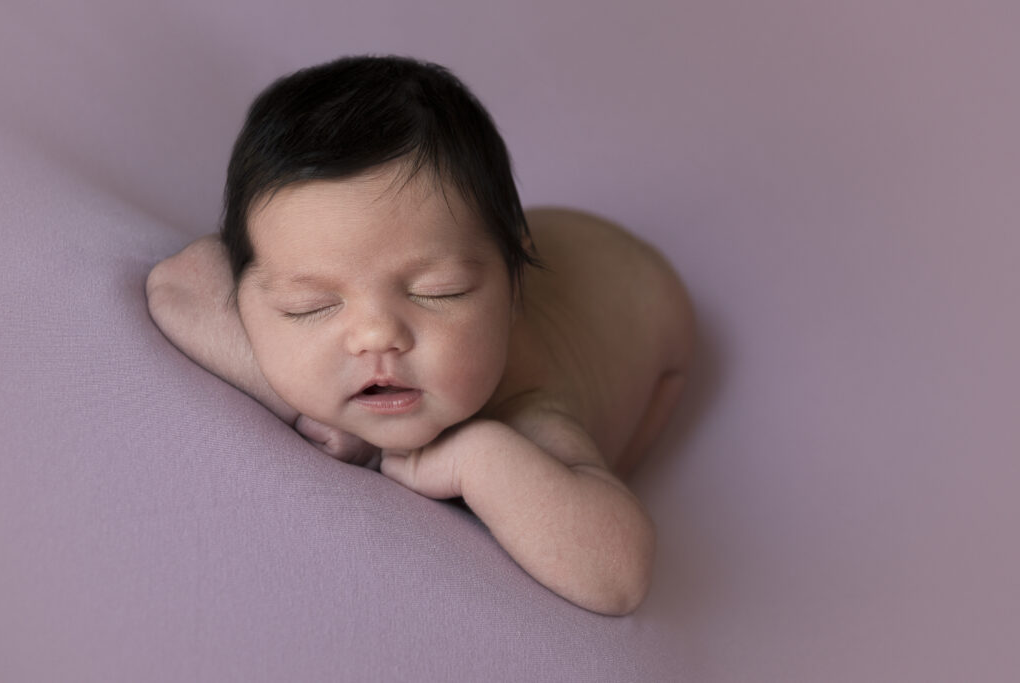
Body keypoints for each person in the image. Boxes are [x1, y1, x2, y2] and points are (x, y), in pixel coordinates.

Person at [146, 55, 695, 615]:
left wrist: (477, 459)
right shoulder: (281, 274)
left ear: (513, 292)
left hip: (648, 306)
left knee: (619, 457)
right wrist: (307, 409)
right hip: (511, 235)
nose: (376, 335)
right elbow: (179, 284)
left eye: (439, 291)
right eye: (309, 305)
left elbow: (618, 575)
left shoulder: (528, 410)